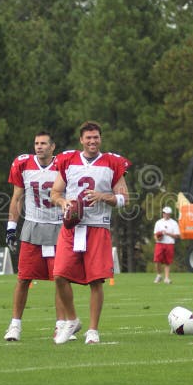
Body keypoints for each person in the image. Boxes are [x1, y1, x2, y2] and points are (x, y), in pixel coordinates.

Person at [50, 121, 130, 345]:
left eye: (96, 137)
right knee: (59, 275)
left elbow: (124, 199)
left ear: (100, 139)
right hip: (72, 227)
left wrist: (104, 196)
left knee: (96, 281)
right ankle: (73, 319)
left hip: (97, 226)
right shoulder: (68, 161)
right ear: (81, 140)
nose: (92, 141)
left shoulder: (112, 163)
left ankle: (93, 329)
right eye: (88, 138)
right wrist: (64, 202)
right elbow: (55, 192)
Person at [3, 131, 69, 342]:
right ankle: (15, 325)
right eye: (36, 143)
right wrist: (11, 228)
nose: (39, 147)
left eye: (43, 144)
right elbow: (17, 198)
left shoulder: (63, 164)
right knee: (23, 278)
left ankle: (61, 326)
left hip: (58, 227)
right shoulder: (23, 164)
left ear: (52, 147)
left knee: (60, 280)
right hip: (32, 227)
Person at [152, 206, 180, 284]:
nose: (166, 215)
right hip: (160, 243)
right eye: (165, 213)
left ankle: (166, 278)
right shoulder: (158, 222)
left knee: (167, 262)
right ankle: (159, 275)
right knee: (157, 260)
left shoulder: (174, 223)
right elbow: (155, 234)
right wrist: (158, 238)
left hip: (169, 243)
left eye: (168, 214)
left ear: (170, 214)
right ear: (163, 213)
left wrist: (167, 233)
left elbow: (177, 235)